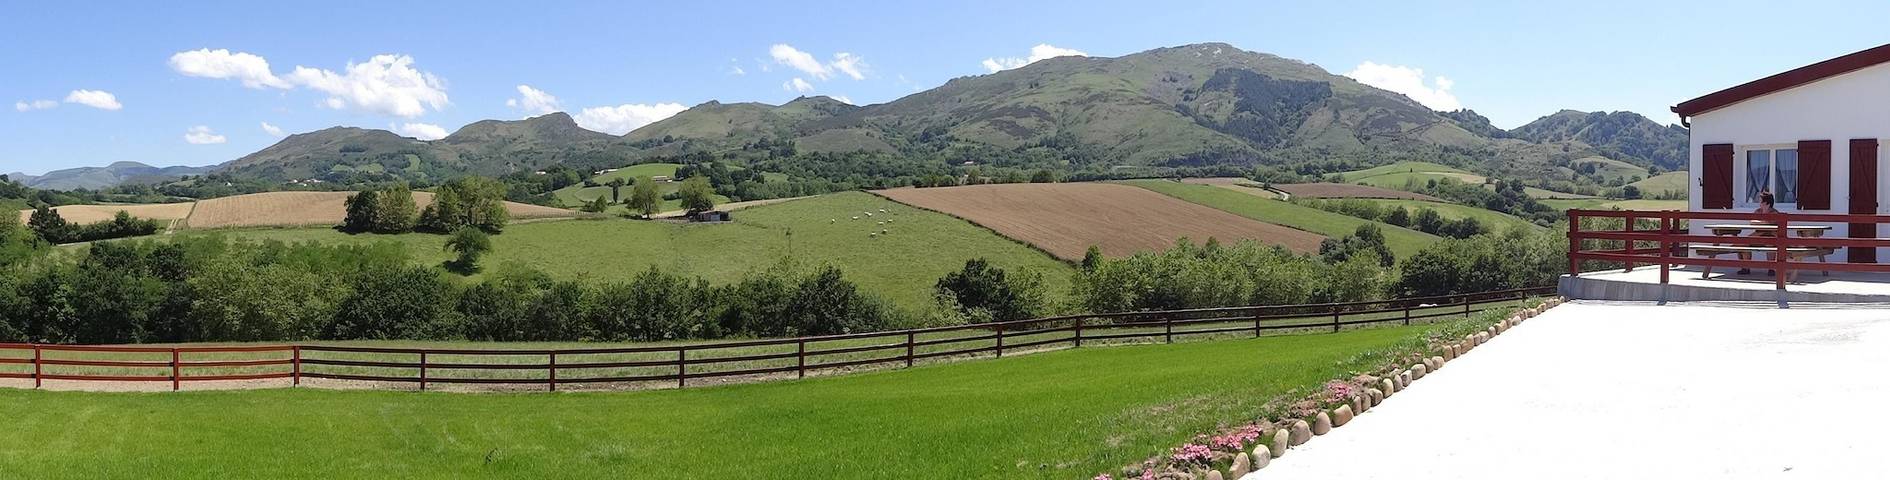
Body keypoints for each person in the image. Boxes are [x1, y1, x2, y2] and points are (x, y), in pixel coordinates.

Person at [1736, 190, 1779, 275]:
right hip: (1758, 235)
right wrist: (1765, 223)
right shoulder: (1758, 211)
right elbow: (1753, 222)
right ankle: (1746, 268)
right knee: (1744, 243)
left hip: (1771, 236)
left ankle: (1771, 269)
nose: (1759, 203)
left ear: (1766, 203)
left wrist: (1763, 223)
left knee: (1770, 244)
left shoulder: (1774, 212)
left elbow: (1771, 225)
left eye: (1760, 201)